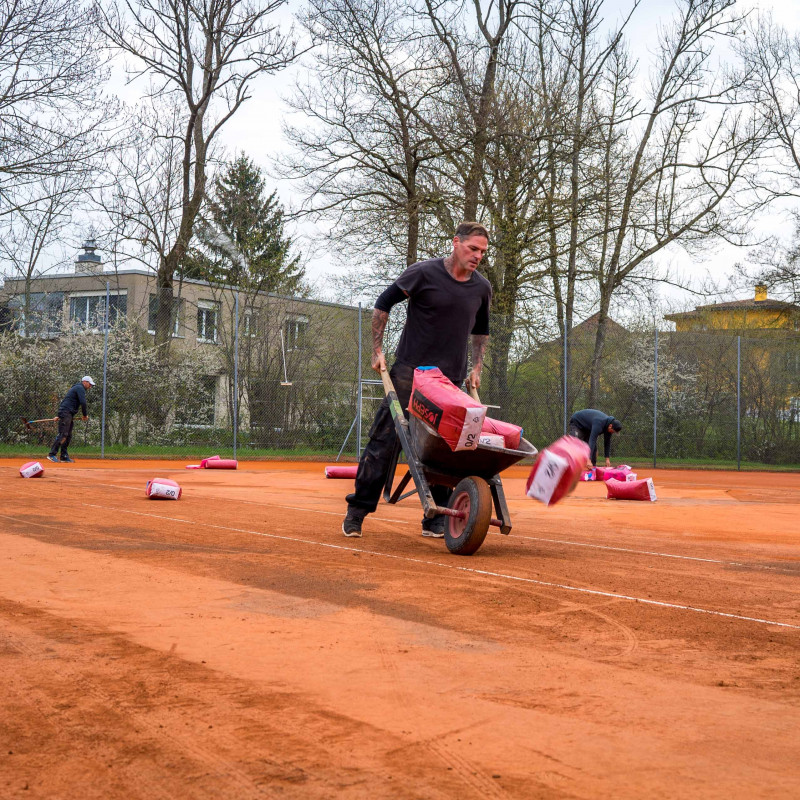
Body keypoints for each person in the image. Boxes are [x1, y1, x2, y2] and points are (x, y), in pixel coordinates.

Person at [342, 222, 492, 539]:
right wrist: (377, 350)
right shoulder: (423, 273)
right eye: (472, 248)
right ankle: (357, 511)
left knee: (444, 448)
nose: (477, 256)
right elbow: (384, 302)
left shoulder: (481, 288)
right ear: (456, 243)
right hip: (410, 372)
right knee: (386, 439)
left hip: (449, 381)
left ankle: (436, 517)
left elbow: (480, 332)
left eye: (482, 252)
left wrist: (476, 366)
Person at [47, 376, 95, 463]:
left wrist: (60, 414)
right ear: (85, 382)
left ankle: (64, 456)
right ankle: (52, 454)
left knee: (68, 435)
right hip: (66, 412)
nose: (90, 386)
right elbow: (83, 402)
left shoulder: (77, 388)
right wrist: (85, 415)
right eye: (90, 384)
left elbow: (67, 400)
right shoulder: (80, 388)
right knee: (63, 434)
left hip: (67, 413)